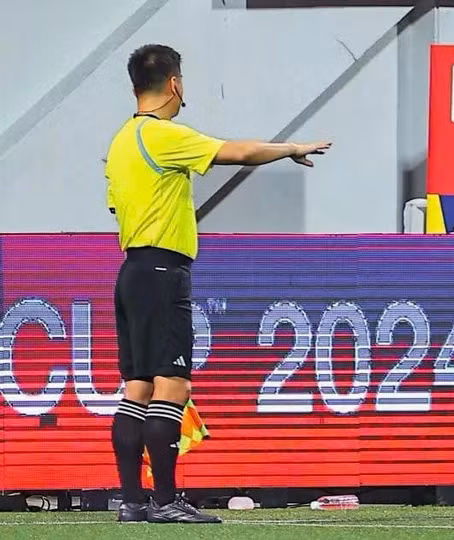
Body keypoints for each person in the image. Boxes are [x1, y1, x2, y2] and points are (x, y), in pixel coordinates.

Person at [105, 44, 331, 523]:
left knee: (137, 388)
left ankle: (132, 502)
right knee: (173, 385)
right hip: (163, 271)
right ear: (174, 83)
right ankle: (166, 502)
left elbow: (116, 204)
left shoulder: (121, 141)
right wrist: (291, 148)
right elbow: (239, 152)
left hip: (131, 271)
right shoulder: (162, 134)